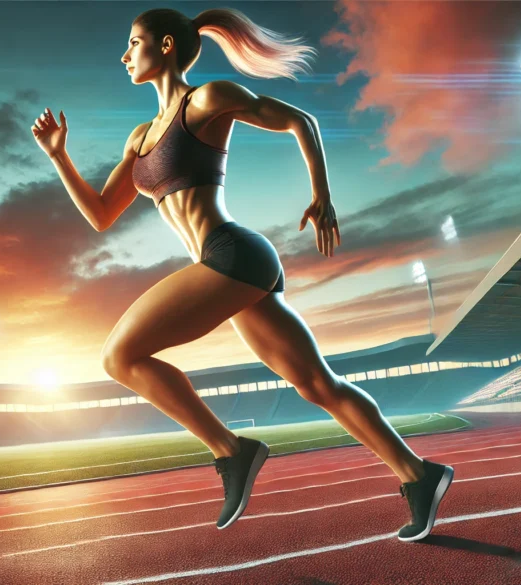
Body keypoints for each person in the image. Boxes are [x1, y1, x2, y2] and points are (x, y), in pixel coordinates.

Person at [31, 7, 453, 541]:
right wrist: (58, 157)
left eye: (133, 43)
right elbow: (99, 215)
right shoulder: (139, 138)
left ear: (164, 46)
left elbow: (302, 120)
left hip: (230, 255)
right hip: (228, 268)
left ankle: (233, 451)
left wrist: (322, 196)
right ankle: (420, 474)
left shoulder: (206, 100)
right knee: (318, 384)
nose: (124, 54)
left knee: (120, 355)